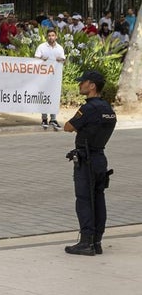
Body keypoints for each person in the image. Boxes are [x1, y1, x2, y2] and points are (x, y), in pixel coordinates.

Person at [63, 70, 116, 256]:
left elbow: (68, 127)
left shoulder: (88, 108)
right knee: (99, 199)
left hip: (86, 160)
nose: (80, 85)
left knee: (84, 200)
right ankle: (96, 241)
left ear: (92, 85)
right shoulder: (109, 110)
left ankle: (86, 242)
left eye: (83, 82)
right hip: (100, 158)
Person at [35, 28, 66, 130]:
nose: (51, 37)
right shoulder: (42, 47)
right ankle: (44, 118)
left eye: (53, 35)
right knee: (44, 96)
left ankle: (53, 119)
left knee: (54, 97)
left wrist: (60, 59)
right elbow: (35, 59)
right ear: (46, 37)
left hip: (55, 77)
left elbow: (63, 60)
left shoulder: (59, 48)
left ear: (56, 36)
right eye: (49, 35)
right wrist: (41, 60)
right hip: (43, 77)